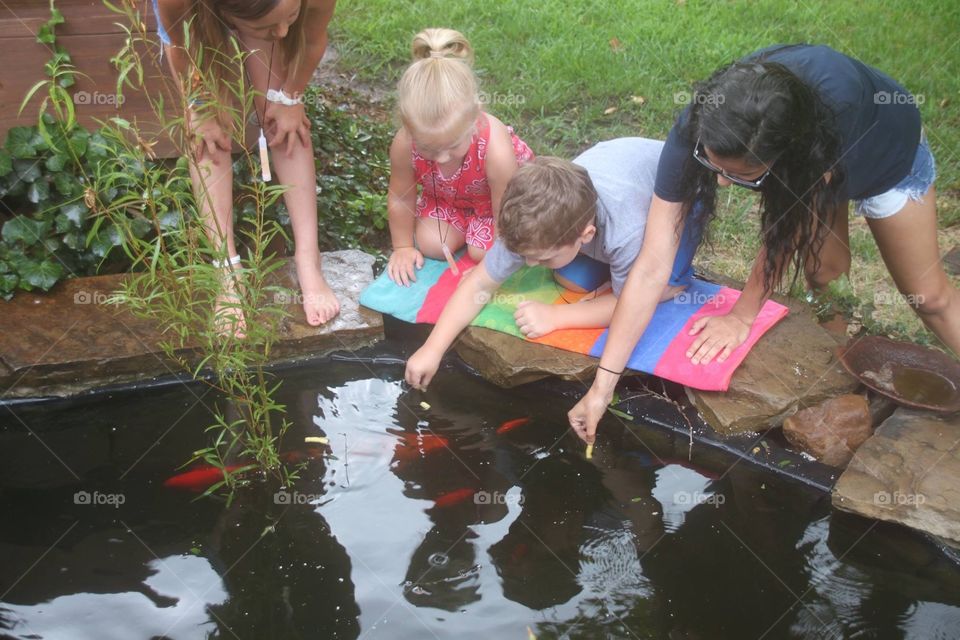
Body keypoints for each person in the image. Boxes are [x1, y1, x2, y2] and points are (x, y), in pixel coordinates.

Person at [568, 44, 960, 443]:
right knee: (823, 271)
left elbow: (783, 233)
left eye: (743, 175)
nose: (720, 182)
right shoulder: (701, 127)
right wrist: (603, 388)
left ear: (782, 157)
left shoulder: (813, 133)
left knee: (928, 296)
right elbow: (652, 266)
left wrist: (742, 316)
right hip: (820, 155)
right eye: (713, 165)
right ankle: (844, 366)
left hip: (885, 154)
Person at [405, 139, 698, 390]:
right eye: (527, 256)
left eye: (542, 257)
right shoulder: (530, 221)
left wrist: (557, 317)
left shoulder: (628, 233)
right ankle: (607, 270)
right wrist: (432, 349)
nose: (531, 265)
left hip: (679, 196)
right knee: (571, 279)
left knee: (657, 282)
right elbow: (479, 283)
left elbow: (630, 304)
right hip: (616, 170)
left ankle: (674, 283)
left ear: (586, 235)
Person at [154, 0, 340, 336]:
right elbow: (180, 44)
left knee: (283, 116)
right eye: (269, 27)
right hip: (197, 24)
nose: (284, 33)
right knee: (208, 130)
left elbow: (311, 39)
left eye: (291, 17)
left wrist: (291, 98)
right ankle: (227, 271)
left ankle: (308, 260)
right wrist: (199, 107)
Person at [385, 28, 534, 286]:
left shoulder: (495, 149)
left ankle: (475, 237)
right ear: (409, 130)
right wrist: (402, 247)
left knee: (482, 253)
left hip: (498, 205)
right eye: (429, 149)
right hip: (446, 200)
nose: (441, 159)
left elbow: (506, 209)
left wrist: (491, 268)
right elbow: (401, 197)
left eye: (453, 145)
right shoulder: (404, 144)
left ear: (474, 118)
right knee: (433, 245)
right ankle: (466, 231)